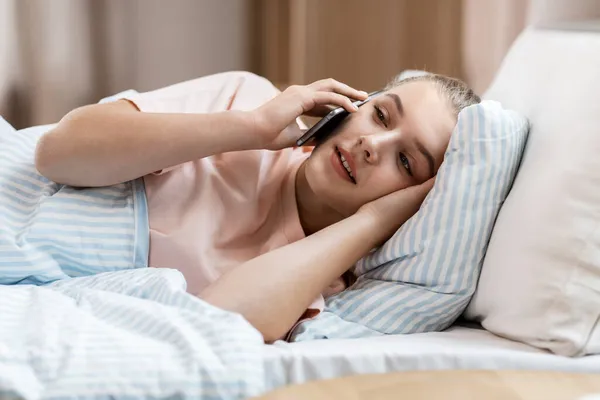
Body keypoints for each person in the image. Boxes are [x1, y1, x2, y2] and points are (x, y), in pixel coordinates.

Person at [33, 71, 480, 341]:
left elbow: (215, 327)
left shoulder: (324, 278)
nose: (371, 144)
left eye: (405, 161)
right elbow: (57, 154)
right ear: (352, 104)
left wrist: (374, 222)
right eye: (380, 114)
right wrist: (251, 127)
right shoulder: (247, 100)